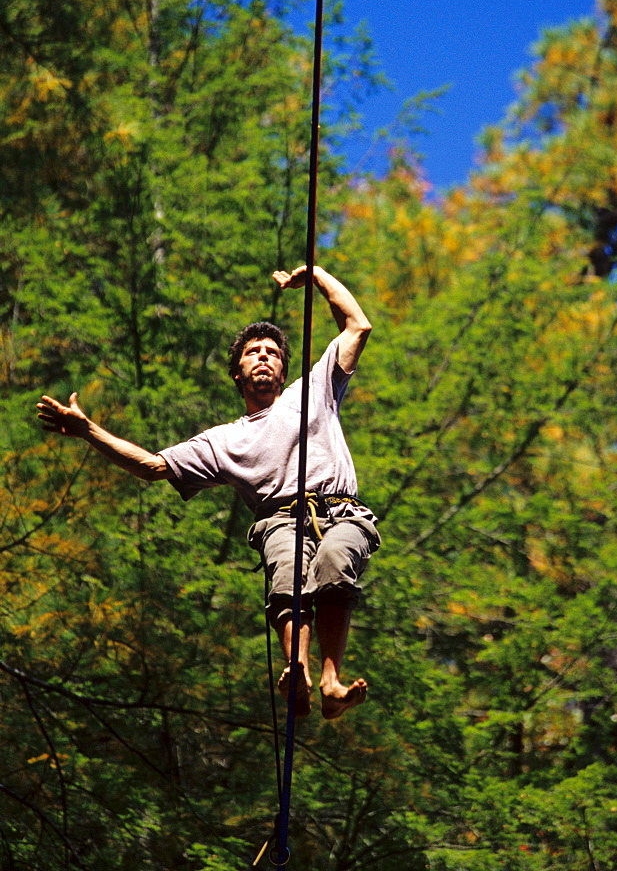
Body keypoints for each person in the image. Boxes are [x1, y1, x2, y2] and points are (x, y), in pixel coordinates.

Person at [37, 266, 380, 720]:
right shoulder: (223, 440)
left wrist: (317, 274)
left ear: (283, 368)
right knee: (288, 573)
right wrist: (88, 431)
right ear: (237, 373)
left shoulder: (316, 391)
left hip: (343, 509)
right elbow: (153, 466)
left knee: (337, 560)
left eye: (273, 353)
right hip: (279, 518)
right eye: (253, 353)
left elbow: (358, 326)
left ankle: (331, 682)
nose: (264, 357)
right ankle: (296, 671)